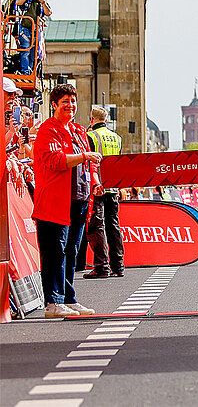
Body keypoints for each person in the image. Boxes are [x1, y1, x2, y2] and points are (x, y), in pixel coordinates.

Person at [33, 84, 100, 318]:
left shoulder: (80, 131)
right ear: (54, 105)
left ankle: (68, 298)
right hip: (54, 202)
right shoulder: (47, 130)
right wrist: (83, 156)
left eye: (73, 102)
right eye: (65, 102)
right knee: (55, 251)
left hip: (79, 199)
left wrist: (95, 183)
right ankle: (53, 302)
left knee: (71, 252)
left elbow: (90, 164)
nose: (70, 106)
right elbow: (54, 160)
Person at [83, 106, 124, 279]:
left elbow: (88, 162)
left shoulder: (91, 135)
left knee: (96, 226)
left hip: (97, 185)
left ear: (92, 119)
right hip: (113, 187)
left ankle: (101, 267)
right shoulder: (117, 137)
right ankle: (118, 266)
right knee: (113, 225)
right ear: (106, 120)